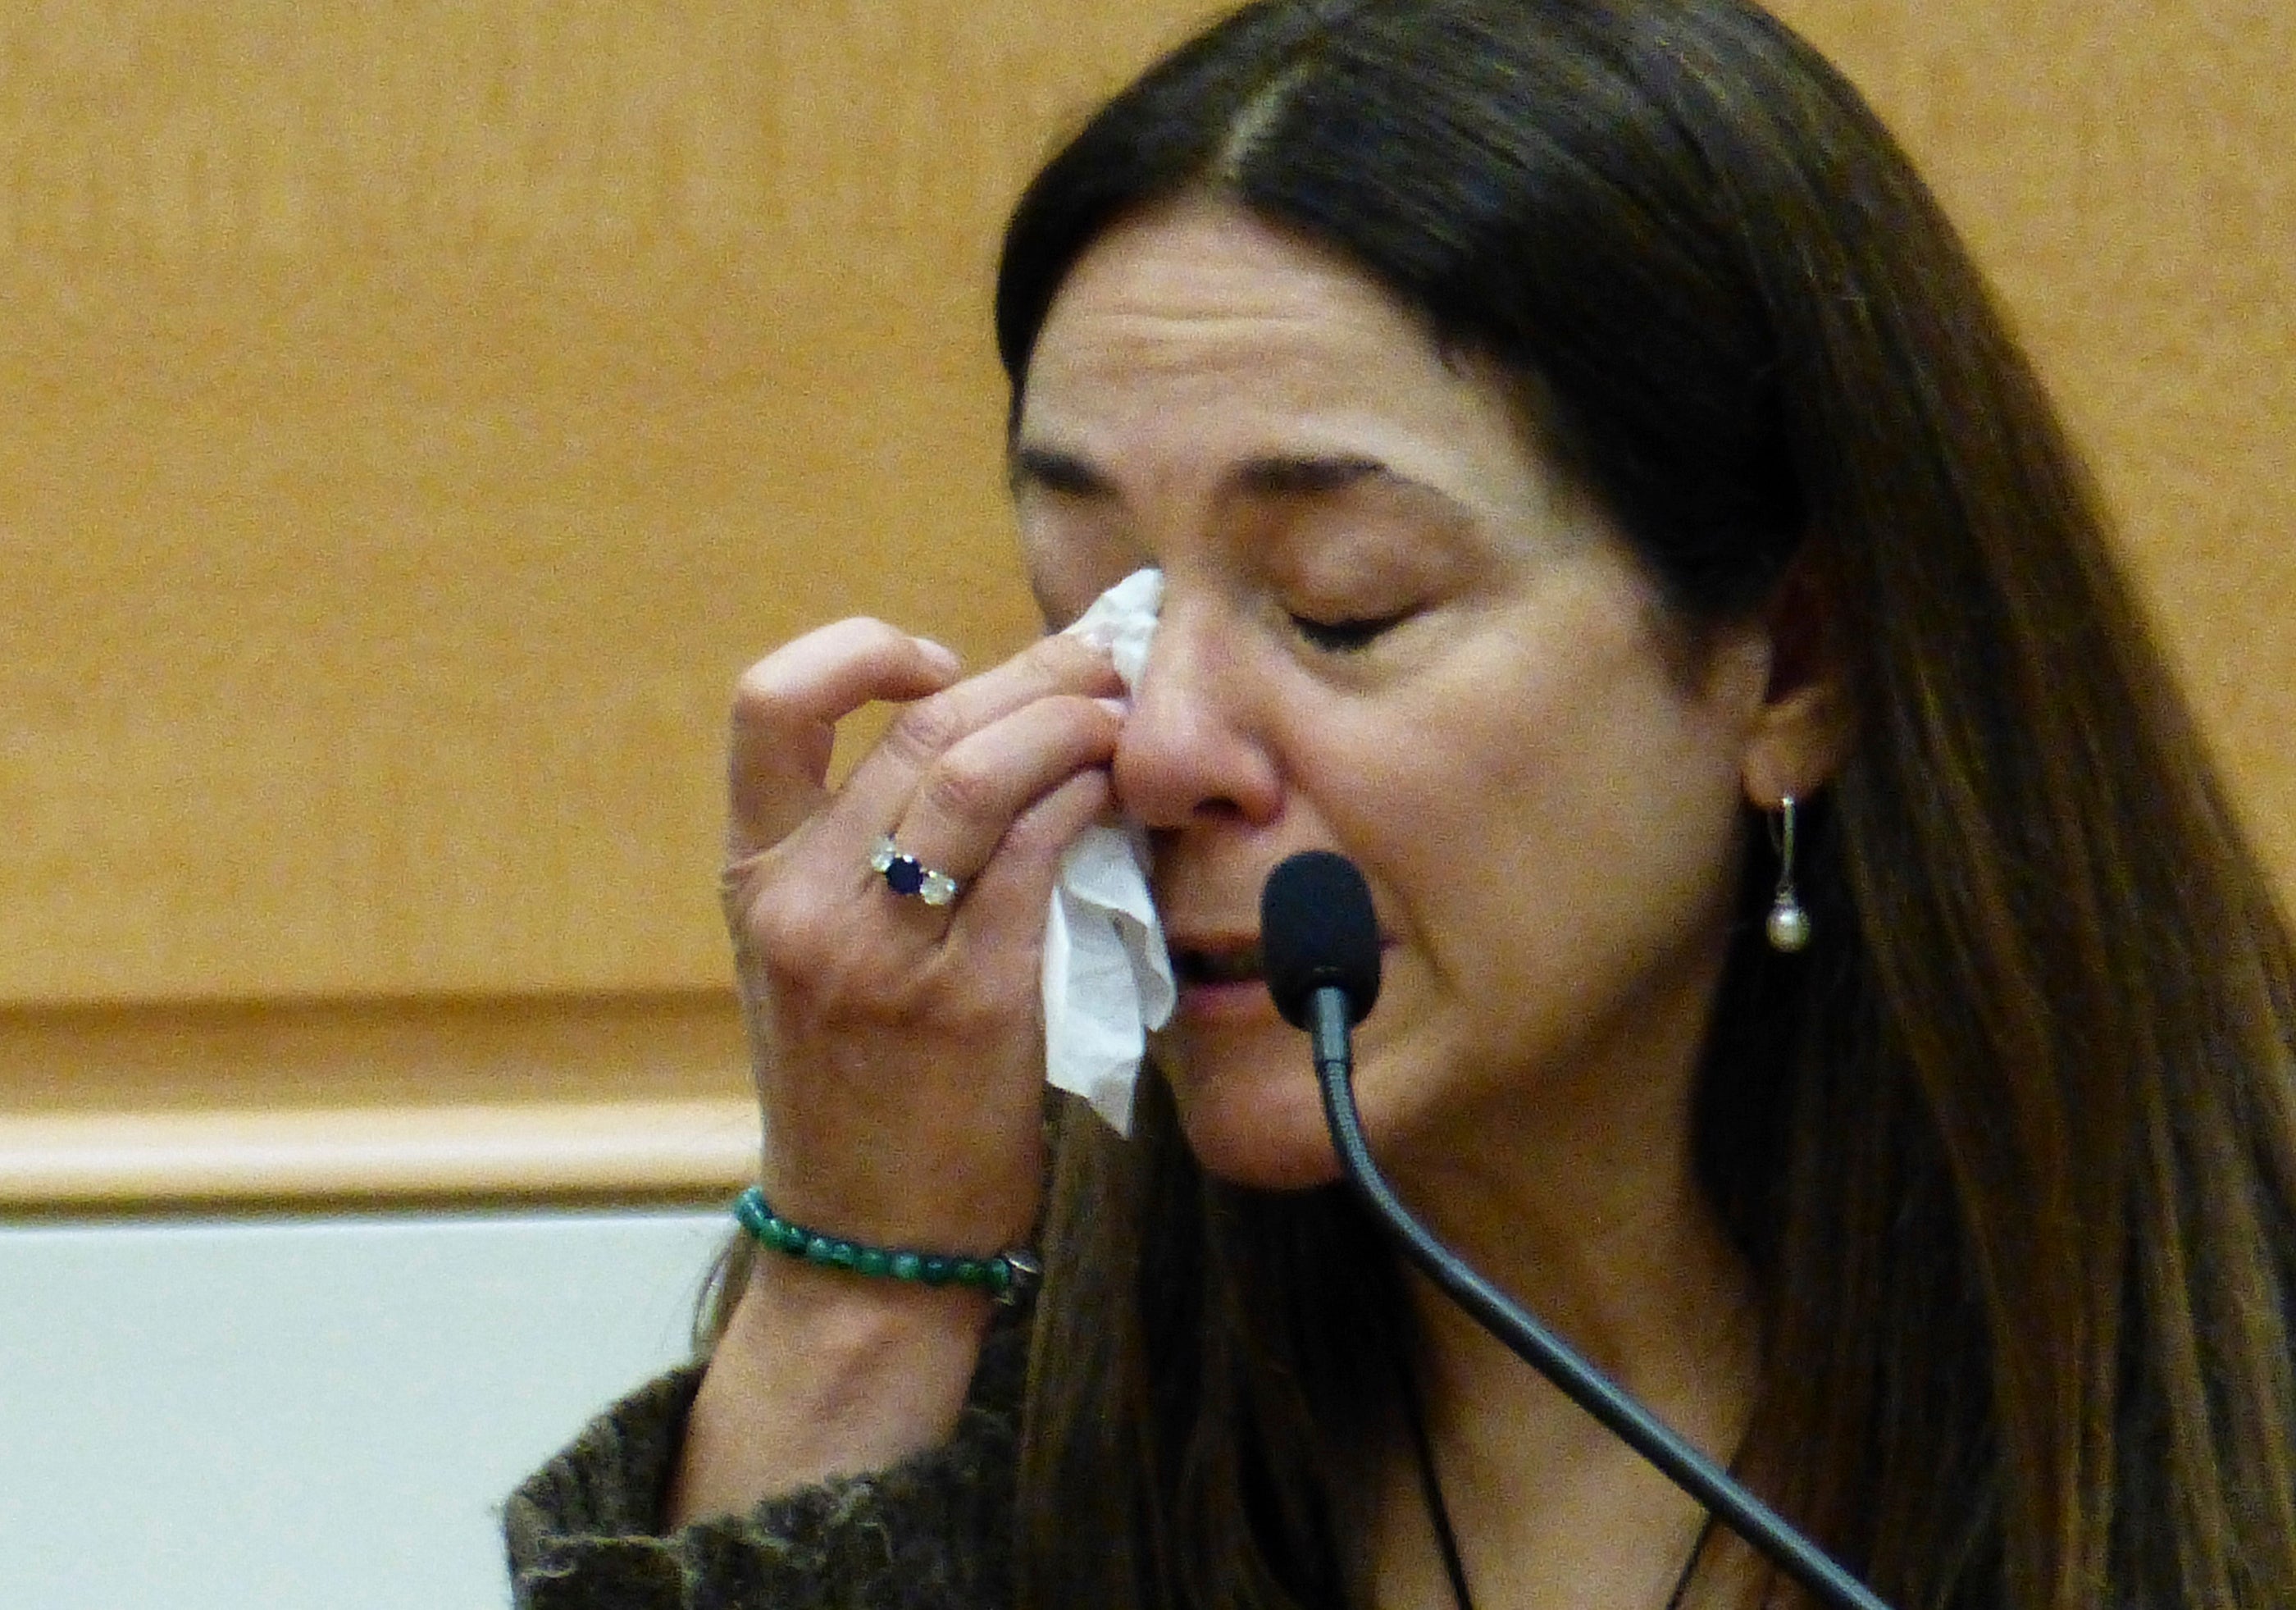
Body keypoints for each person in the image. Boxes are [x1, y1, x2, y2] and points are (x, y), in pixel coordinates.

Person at [505, 1, 2296, 1606]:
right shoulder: (999, 1347)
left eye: (1340, 606)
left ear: (1794, 662)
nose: (1155, 748)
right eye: (1090, 612)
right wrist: (852, 1285)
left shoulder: (2228, 1376)